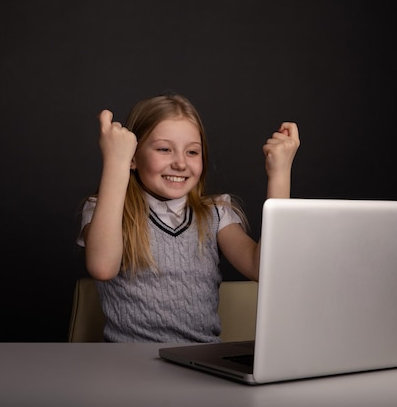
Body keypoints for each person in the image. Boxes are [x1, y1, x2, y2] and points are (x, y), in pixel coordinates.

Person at [76, 93, 299, 342]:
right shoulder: (104, 208)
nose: (181, 163)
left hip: (201, 361)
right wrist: (117, 163)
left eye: (192, 152)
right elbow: (102, 267)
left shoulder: (216, 213)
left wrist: (279, 175)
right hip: (129, 363)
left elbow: (265, 269)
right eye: (164, 149)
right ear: (134, 157)